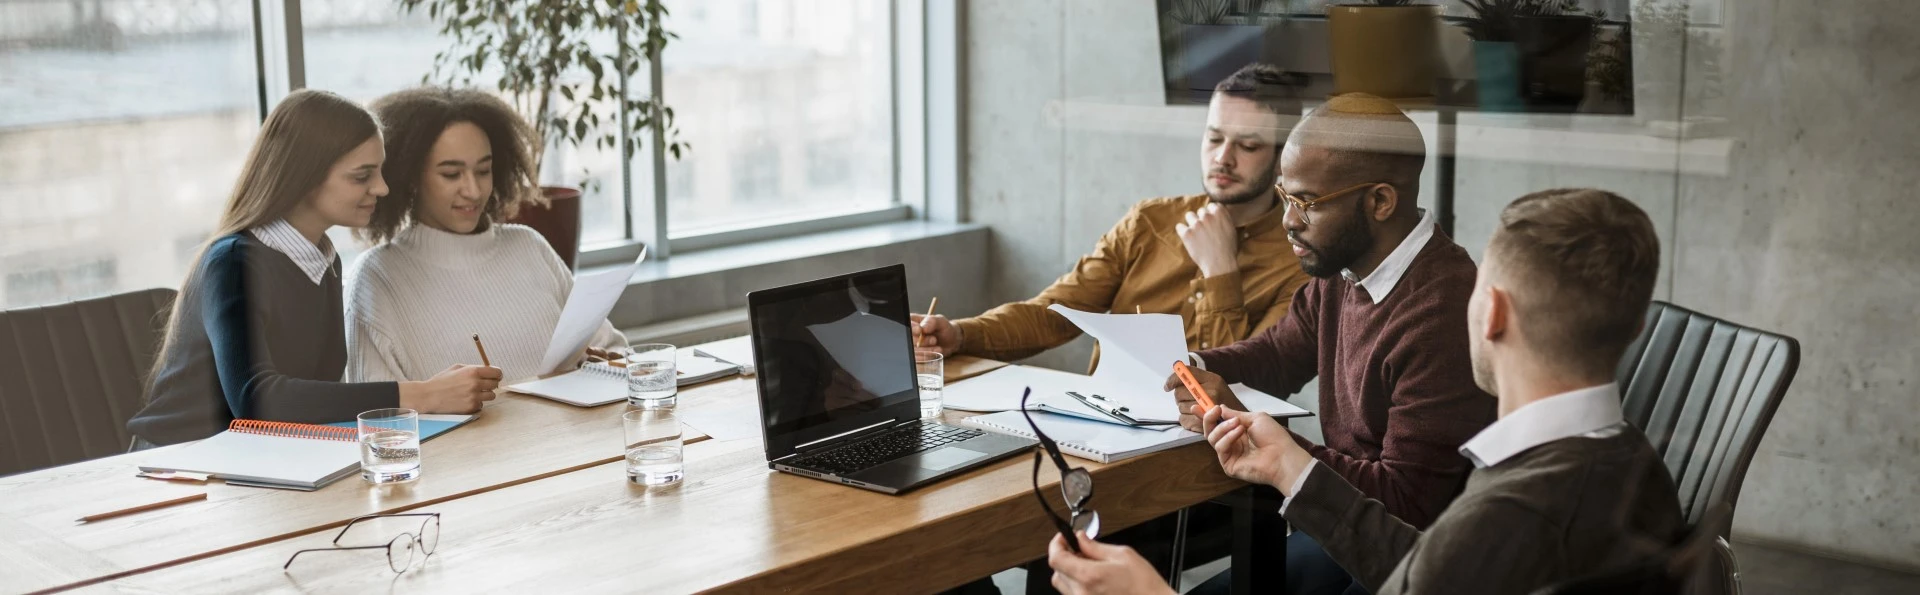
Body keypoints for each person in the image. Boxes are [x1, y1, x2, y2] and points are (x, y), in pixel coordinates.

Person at [1047, 188, 1685, 595]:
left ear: (1490, 314)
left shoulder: (1512, 512)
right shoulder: (1635, 471)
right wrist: (1291, 465)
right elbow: (1428, 571)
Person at [1168, 93, 1498, 594]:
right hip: (1337, 527)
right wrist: (1191, 366)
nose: (1288, 221)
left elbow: (1406, 504)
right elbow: (1279, 354)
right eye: (1284, 196)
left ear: (1380, 202)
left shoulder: (1443, 313)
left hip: (1409, 560)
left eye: (1306, 203)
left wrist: (1268, 443)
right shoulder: (1344, 265)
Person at [128, 89, 501, 447]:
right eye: (362, 176)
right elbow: (257, 400)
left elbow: (318, 397)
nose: (383, 188)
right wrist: (423, 395)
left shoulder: (324, 262)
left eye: (380, 172)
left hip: (260, 458)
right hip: (179, 467)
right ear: (304, 176)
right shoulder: (233, 264)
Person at [911, 63, 1311, 369]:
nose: (1222, 157)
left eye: (1248, 145)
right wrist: (961, 334)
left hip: (1210, 457)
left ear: (1282, 159)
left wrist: (1221, 273)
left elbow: (1249, 379)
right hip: (1106, 434)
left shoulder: (1298, 263)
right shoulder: (1149, 222)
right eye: (1214, 137)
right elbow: (1055, 315)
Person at [345, 87, 626, 383]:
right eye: (451, 175)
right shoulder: (377, 278)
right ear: (411, 178)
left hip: (568, 431)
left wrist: (601, 365)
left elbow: (616, 348)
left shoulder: (529, 247)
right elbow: (378, 420)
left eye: (483, 170)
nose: (473, 191)